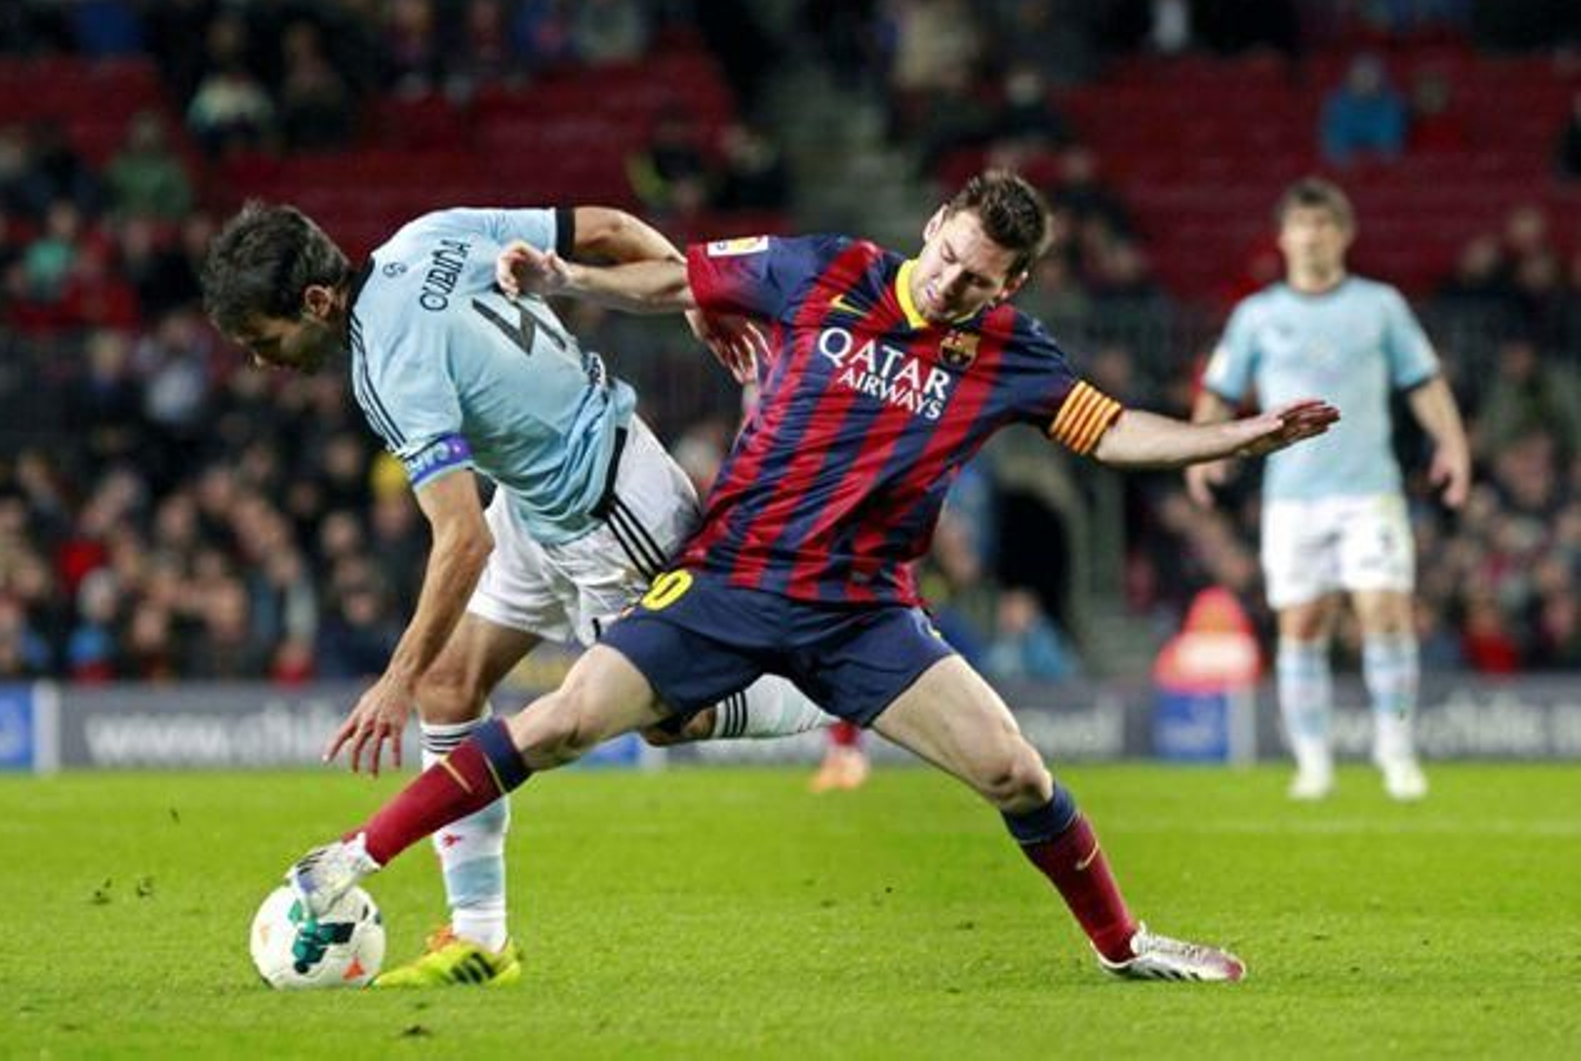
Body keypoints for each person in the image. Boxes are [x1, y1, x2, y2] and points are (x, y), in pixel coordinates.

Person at [287, 170, 1340, 983]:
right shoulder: (824, 268)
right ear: (934, 224)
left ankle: (1123, 944)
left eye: (981, 281)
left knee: (1016, 773)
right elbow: (678, 276)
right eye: (951, 257)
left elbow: (1111, 434)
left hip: (864, 613)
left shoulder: (1011, 354)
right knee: (562, 721)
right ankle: (352, 858)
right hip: (728, 582)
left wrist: (1231, 438)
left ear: (1009, 286)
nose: (953, 284)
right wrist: (573, 282)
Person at [201, 201, 837, 988]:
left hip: (611, 509)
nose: (265, 363)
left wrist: (390, 681)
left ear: (317, 303)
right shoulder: (425, 233)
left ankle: (834, 681)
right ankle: (479, 940)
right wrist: (694, 295)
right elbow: (604, 225)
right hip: (539, 503)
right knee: (451, 683)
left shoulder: (387, 368)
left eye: (265, 342)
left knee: (677, 719)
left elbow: (462, 541)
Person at [1186, 177, 1470, 801]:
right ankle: (1313, 764)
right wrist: (1201, 450)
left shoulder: (1380, 306)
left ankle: (1396, 751)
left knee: (1383, 612)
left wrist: (1452, 443)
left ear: (1344, 234)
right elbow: (1221, 389)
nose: (1312, 235)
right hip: (1292, 497)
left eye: (1324, 224)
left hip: (1370, 489)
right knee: (1303, 622)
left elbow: (1423, 380)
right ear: (1283, 236)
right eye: (1301, 224)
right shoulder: (1258, 315)